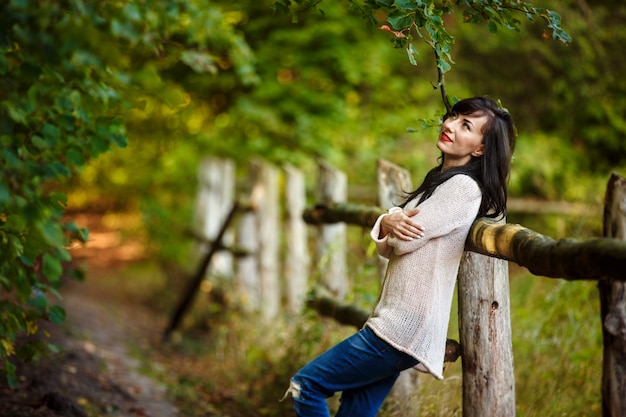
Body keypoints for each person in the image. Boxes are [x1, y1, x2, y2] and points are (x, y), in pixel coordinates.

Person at [284, 96, 516, 417]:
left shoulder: (462, 188)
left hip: (399, 331)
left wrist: (390, 219)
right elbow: (389, 242)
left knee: (305, 385)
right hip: (397, 327)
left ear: (480, 149)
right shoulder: (438, 182)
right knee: (355, 412)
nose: (449, 125)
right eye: (453, 116)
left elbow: (403, 241)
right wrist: (389, 219)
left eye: (466, 125)